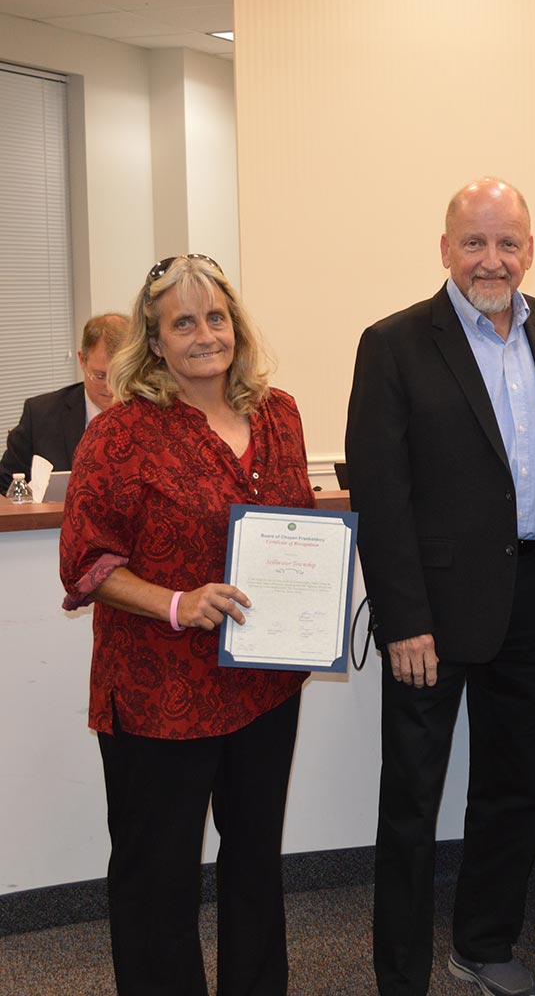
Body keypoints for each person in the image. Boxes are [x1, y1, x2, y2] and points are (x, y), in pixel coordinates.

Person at [346, 177, 535, 996]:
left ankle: (485, 943)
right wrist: (403, 620)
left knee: (511, 786)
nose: (493, 259)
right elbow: (380, 498)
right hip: (433, 612)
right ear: (446, 248)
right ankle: (401, 975)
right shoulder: (393, 343)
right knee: (412, 800)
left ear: (530, 248)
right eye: (476, 242)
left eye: (509, 242)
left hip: (531, 596)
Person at [59, 255, 316, 996]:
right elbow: (85, 563)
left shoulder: (281, 412)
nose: (205, 334)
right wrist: (178, 603)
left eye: (215, 316)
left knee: (255, 860)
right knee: (157, 880)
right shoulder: (121, 434)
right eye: (183, 322)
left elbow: (294, 528)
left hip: (264, 683)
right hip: (156, 693)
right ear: (156, 339)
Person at [0, 312, 127, 494]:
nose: (110, 388)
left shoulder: (151, 416)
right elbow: (5, 486)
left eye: (120, 376)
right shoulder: (40, 415)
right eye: (100, 376)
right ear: (82, 360)